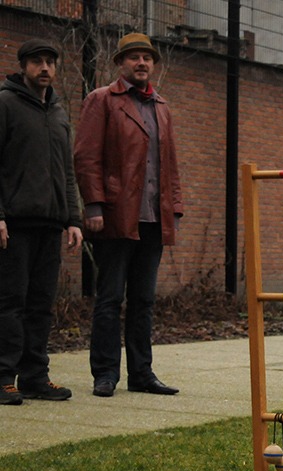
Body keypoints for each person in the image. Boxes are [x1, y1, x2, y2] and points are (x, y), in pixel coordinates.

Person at [74, 33, 183, 398]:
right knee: (109, 298)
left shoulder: (161, 107)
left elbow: (171, 164)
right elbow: (86, 156)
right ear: (120, 63)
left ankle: (142, 373)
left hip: (153, 219)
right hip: (116, 215)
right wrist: (93, 205)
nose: (141, 63)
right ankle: (105, 374)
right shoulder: (102, 100)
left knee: (144, 300)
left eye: (147, 58)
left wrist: (175, 208)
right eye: (134, 57)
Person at [0, 39, 83, 406]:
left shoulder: (59, 113)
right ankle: (3, 377)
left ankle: (34, 376)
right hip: (14, 224)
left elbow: (67, 171)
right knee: (9, 303)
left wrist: (73, 218)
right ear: (23, 67)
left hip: (50, 224)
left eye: (50, 61)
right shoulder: (5, 103)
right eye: (37, 62)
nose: (45, 68)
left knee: (40, 305)